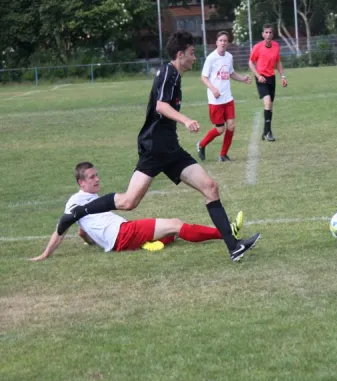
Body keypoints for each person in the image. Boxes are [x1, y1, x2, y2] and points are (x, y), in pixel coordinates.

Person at [56, 30, 260, 262]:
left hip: (170, 149)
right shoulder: (168, 73)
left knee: (210, 187)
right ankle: (78, 213)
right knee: (129, 202)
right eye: (192, 53)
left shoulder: (175, 76)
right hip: (154, 148)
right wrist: (185, 120)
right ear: (180, 54)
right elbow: (161, 106)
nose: (195, 58)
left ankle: (233, 247)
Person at [30, 162, 245, 261]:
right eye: (92, 177)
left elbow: (81, 232)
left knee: (168, 231)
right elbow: (62, 226)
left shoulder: (88, 200)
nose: (97, 179)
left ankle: (152, 243)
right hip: (123, 234)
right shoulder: (75, 202)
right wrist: (45, 254)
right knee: (175, 225)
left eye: (97, 175)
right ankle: (226, 233)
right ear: (81, 182)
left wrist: (91, 241)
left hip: (121, 236)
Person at [196, 31, 252, 162]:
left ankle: (223, 155)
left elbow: (231, 73)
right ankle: (201, 144)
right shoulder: (211, 58)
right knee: (220, 129)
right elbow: (203, 77)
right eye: (220, 40)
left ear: (228, 43)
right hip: (215, 101)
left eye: (225, 41)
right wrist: (213, 88)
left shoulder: (229, 57)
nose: (223, 43)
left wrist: (244, 79)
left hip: (228, 98)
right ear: (216, 42)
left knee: (231, 126)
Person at [248, 23, 288, 142]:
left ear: (272, 34)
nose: (268, 34)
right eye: (266, 32)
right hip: (261, 78)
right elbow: (250, 62)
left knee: (270, 107)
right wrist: (258, 76)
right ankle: (268, 133)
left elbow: (278, 62)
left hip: (271, 77)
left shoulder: (276, 46)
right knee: (268, 103)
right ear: (263, 34)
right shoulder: (257, 47)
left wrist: (283, 76)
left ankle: (265, 131)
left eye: (270, 32)